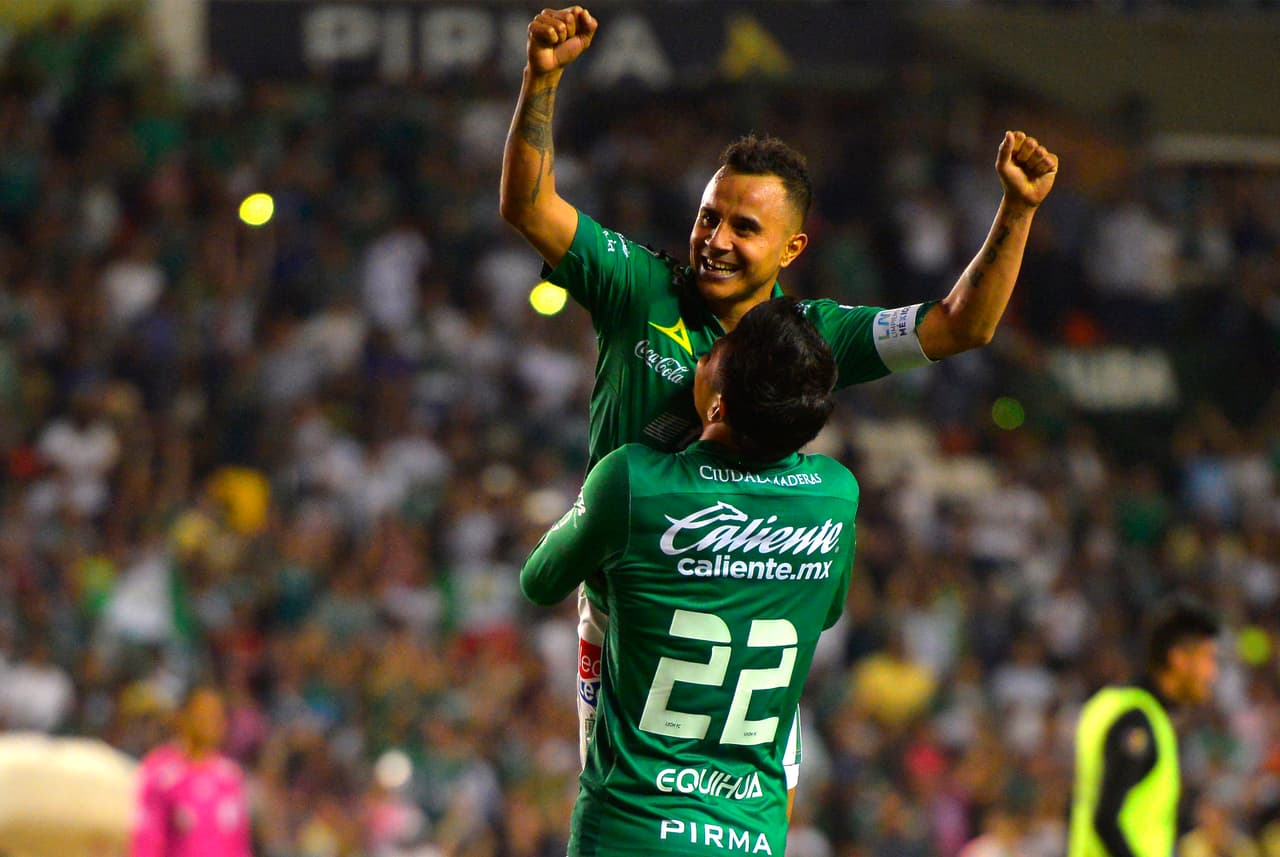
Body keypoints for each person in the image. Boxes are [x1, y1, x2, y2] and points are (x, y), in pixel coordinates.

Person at [500, 5, 1059, 769]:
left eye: (744, 227)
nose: (715, 240)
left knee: (747, 805)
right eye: (709, 217)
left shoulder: (811, 338)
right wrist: (540, 80)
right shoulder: (638, 286)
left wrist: (1017, 211)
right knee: (623, 797)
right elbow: (528, 206)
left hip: (750, 611)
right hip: (628, 610)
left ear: (793, 247)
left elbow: (961, 325)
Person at [521, 298, 856, 857]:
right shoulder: (835, 495)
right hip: (751, 835)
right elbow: (826, 611)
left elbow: (539, 581)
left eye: (714, 350)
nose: (699, 355)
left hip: (632, 830)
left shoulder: (633, 479)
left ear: (719, 404)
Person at [1068, 595, 1221, 857]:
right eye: (1207, 658)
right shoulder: (1137, 721)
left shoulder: (1111, 703)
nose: (1212, 673)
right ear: (1179, 659)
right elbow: (1105, 820)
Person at [131, 686, 253, 857]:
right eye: (203, 713)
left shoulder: (230, 777)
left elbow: (239, 845)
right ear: (183, 717)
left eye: (217, 716)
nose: (210, 721)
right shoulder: (160, 772)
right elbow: (146, 841)